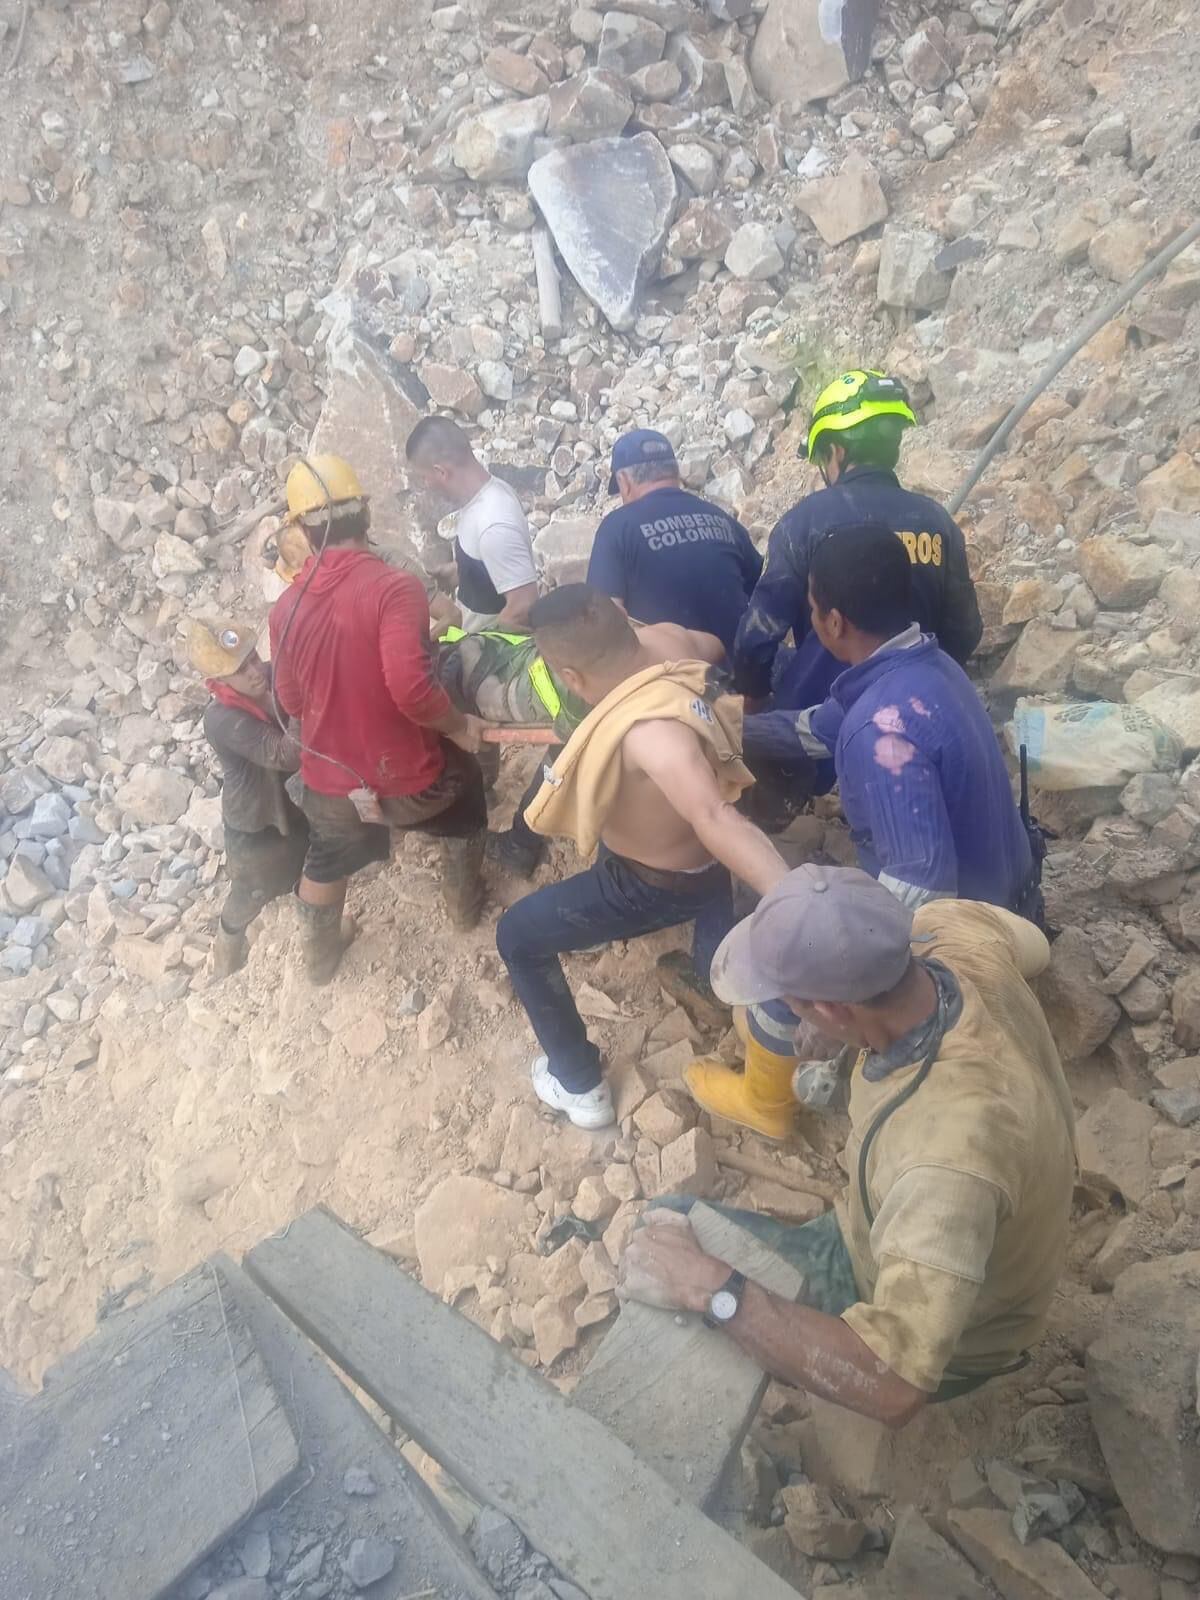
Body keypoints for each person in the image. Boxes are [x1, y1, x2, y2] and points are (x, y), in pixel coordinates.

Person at [620, 865, 1075, 1426]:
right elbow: (1034, 948)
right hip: (940, 1212)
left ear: (834, 1007)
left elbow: (893, 1386)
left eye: (792, 1004)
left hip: (963, 1340)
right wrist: (844, 1031)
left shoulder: (946, 1161)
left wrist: (713, 1290)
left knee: (666, 1231)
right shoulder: (949, 930)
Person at [689, 521, 1037, 1138]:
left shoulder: (883, 734)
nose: (811, 619)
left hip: (967, 924)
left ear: (834, 622)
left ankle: (767, 1104)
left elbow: (922, 883)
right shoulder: (920, 665)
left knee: (786, 964)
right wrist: (724, 728)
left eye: (812, 609)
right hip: (1006, 882)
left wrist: (833, 985)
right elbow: (819, 727)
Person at [495, 585, 787, 1130]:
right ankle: (707, 951)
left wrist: (792, 897)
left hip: (658, 882)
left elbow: (713, 816)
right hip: (693, 856)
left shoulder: (651, 734)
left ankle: (578, 1083)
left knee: (516, 936)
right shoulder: (671, 642)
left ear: (571, 678)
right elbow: (714, 647)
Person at [269, 454, 490, 984]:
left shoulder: (284, 609)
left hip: (328, 785)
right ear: (365, 515)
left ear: (303, 531)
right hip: (410, 783)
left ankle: (320, 959)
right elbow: (412, 689)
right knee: (467, 796)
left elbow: (292, 701)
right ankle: (463, 908)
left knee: (326, 857)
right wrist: (459, 727)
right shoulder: (394, 587)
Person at [732, 368, 981, 729]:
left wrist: (753, 701)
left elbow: (759, 635)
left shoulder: (804, 523)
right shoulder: (937, 521)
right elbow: (964, 631)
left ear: (836, 450)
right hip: (913, 714)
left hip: (818, 722)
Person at [188, 619, 309, 979]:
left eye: (253, 658)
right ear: (219, 682)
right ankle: (226, 953)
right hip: (255, 822)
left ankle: (310, 922)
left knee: (304, 861)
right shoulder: (222, 720)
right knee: (251, 890)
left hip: (288, 804)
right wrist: (302, 701)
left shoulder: (269, 676)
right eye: (241, 670)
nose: (255, 671)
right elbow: (286, 754)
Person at [587, 428, 763, 658]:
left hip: (676, 677)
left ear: (624, 482)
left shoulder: (616, 529)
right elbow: (763, 590)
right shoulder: (722, 519)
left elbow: (603, 621)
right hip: (746, 671)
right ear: (676, 472)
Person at [405, 416, 539, 633]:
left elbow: (523, 605)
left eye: (424, 477)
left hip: (487, 650)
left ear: (441, 472)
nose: (426, 485)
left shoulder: (494, 523)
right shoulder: (483, 497)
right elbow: (493, 567)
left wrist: (477, 644)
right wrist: (459, 572)